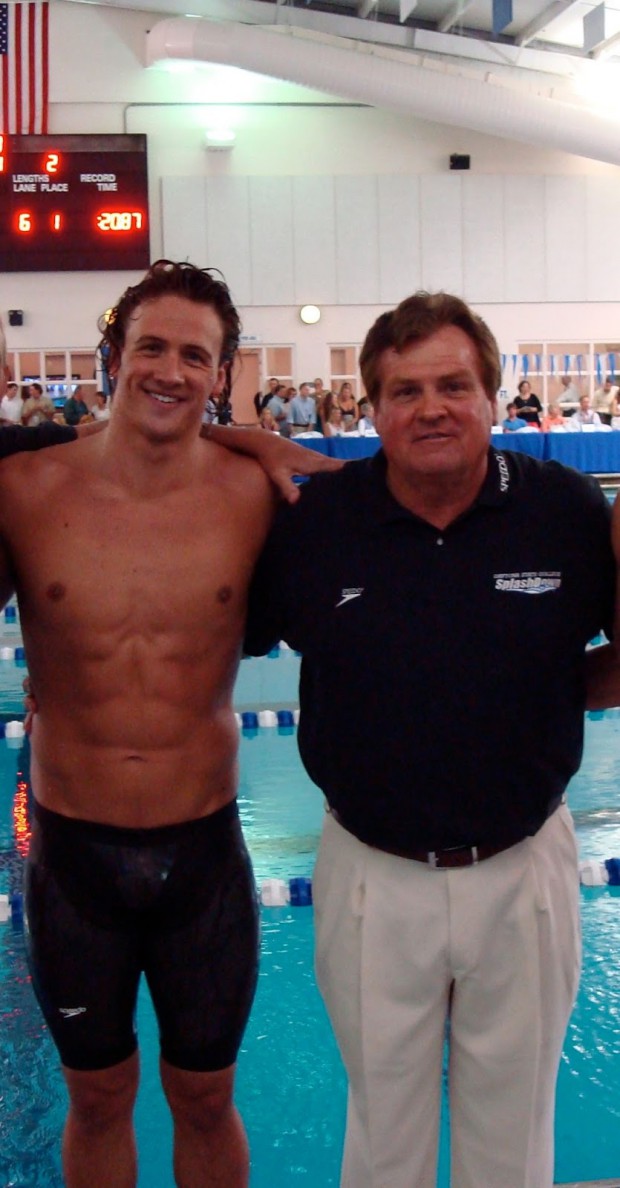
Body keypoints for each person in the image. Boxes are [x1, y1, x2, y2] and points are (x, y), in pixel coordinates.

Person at [244, 290, 614, 1188]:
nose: (432, 407)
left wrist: (551, 696)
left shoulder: (563, 511)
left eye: (454, 384)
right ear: (370, 409)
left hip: (524, 864)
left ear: (493, 395)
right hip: (373, 874)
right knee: (383, 1137)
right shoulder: (317, 526)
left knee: (513, 1136)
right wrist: (244, 438)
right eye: (405, 391)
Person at [0, 264, 340, 1188]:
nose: (171, 370)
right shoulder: (24, 490)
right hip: (72, 857)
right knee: (98, 1097)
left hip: (204, 857)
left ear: (221, 375)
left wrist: (254, 441)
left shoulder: (256, 492)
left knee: (204, 1097)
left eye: (197, 355)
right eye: (152, 346)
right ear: (114, 357)